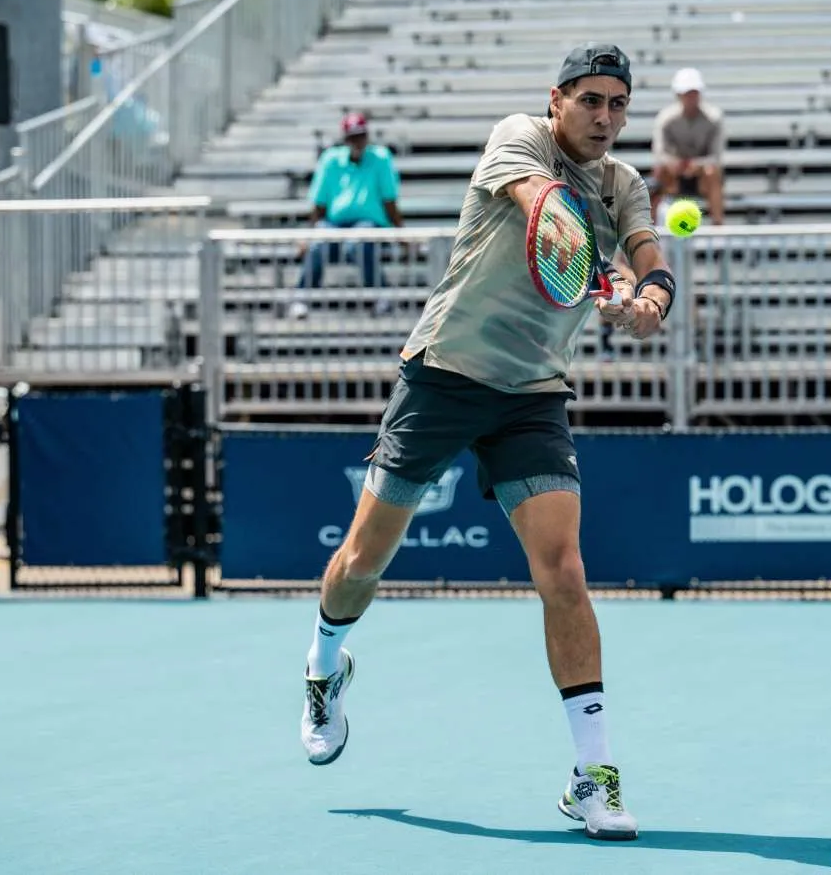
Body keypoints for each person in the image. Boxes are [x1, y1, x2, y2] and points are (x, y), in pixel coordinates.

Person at [299, 43, 677, 842]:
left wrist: (646, 294)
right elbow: (540, 201)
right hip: (445, 374)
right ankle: (326, 661)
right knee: (364, 560)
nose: (605, 118)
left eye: (617, 104)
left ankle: (593, 778)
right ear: (556, 99)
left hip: (532, 394)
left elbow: (651, 254)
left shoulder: (625, 184)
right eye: (590, 101)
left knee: (565, 573)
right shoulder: (520, 138)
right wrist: (588, 261)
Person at [290, 112, 405, 319]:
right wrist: (309, 235)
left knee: (357, 242)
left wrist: (400, 232)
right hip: (334, 224)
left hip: (369, 224)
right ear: (345, 139)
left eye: (360, 135)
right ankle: (301, 299)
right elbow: (320, 203)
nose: (357, 141)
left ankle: (382, 296)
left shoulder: (380, 158)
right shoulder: (330, 160)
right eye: (352, 137)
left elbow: (389, 200)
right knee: (318, 242)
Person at [650, 66, 725, 225]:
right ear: (678, 95)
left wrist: (696, 165)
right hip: (673, 174)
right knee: (658, 173)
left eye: (694, 93)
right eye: (687, 94)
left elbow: (716, 156)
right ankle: (648, 228)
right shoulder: (666, 119)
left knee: (713, 172)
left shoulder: (714, 118)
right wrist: (674, 164)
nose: (691, 98)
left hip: (702, 175)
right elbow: (659, 153)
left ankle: (718, 226)